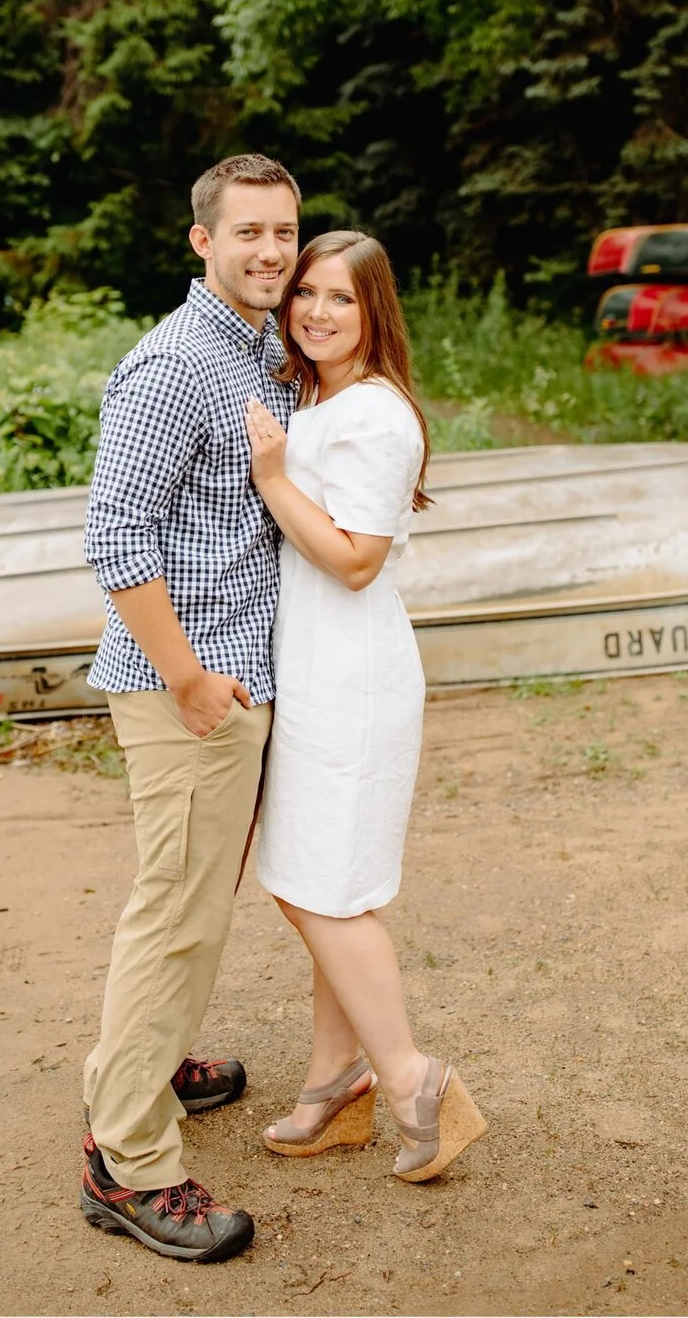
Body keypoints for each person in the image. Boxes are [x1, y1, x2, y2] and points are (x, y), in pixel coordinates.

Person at [76, 153, 302, 1264]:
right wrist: (189, 677)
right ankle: (129, 1160)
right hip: (190, 689)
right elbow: (115, 534)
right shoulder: (172, 364)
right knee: (176, 914)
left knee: (188, 898)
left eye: (283, 231)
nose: (270, 250)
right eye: (248, 231)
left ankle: (149, 1060)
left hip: (237, 675)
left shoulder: (257, 349)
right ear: (201, 240)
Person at [244, 230, 489, 1185]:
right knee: (317, 879)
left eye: (340, 299)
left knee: (321, 889)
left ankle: (412, 1077)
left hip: (353, 673)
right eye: (305, 293)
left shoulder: (379, 417)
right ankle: (333, 1079)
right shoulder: (318, 397)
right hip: (309, 665)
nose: (315, 312)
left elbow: (354, 560)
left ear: (374, 310)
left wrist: (270, 480)